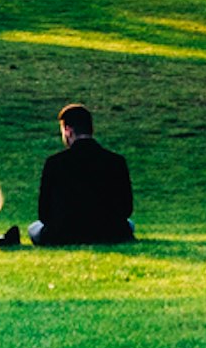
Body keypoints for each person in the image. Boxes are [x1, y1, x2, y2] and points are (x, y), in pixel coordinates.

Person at [27, 103, 135, 246]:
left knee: (33, 228)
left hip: (63, 233)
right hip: (109, 231)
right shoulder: (116, 161)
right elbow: (126, 209)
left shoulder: (55, 163)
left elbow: (44, 213)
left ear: (68, 130)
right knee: (131, 224)